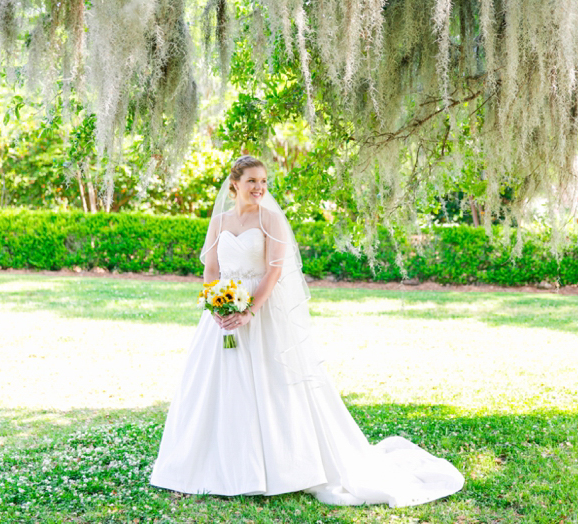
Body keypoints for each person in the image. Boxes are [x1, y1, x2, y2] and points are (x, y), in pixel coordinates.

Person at [150, 155, 464, 506]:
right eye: (252, 181)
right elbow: (211, 269)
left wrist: (249, 311)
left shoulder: (271, 220)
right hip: (222, 315)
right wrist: (216, 306)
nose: (259, 188)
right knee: (216, 387)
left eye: (264, 181)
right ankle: (214, 467)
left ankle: (285, 467)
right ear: (234, 183)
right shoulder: (220, 221)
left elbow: (273, 273)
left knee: (272, 387)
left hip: (261, 314)